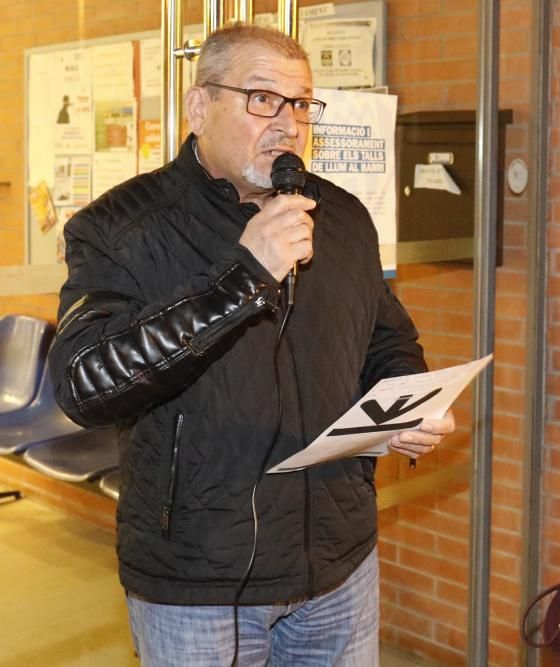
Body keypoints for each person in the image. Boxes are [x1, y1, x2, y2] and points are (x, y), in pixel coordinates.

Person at [47, 24, 454, 666]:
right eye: (262, 98)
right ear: (198, 106)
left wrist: (408, 405)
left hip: (338, 564)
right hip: (200, 581)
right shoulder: (118, 228)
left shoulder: (342, 217)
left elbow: (386, 338)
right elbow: (85, 384)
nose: (288, 124)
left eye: (301, 104)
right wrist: (245, 278)